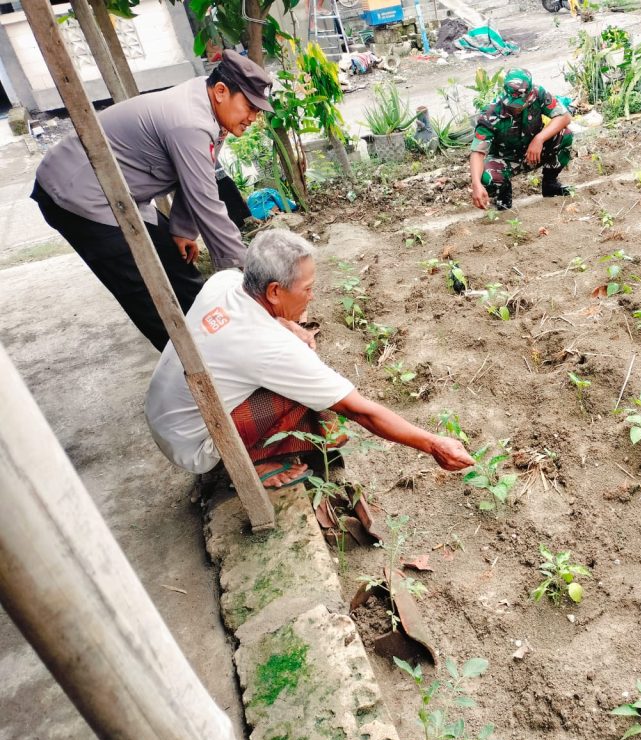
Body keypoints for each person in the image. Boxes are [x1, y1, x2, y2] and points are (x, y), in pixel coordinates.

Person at [145, 229, 474, 493]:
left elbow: (255, 322)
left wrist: (287, 322)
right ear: (274, 291)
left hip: (167, 417)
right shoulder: (269, 348)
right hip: (195, 444)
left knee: (307, 383)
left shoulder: (225, 282)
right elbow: (359, 410)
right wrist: (433, 444)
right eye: (307, 289)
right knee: (318, 402)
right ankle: (251, 463)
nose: (312, 297)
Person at [31, 51, 273, 351]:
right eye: (249, 107)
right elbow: (207, 205)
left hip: (121, 192)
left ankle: (226, 344)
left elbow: (199, 174)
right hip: (76, 193)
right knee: (146, 292)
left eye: (258, 110)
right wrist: (245, 279)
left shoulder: (210, 105)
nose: (253, 117)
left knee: (179, 268)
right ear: (222, 91)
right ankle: (191, 367)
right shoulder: (190, 121)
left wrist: (183, 229)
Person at [469, 69, 574, 211]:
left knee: (565, 134)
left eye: (520, 104)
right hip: (505, 160)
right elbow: (477, 152)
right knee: (486, 177)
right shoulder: (490, 113)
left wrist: (539, 138)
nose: (515, 108)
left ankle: (550, 184)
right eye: (512, 104)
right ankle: (503, 196)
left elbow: (565, 117)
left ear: (529, 95)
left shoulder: (538, 94)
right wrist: (475, 184)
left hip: (535, 152)